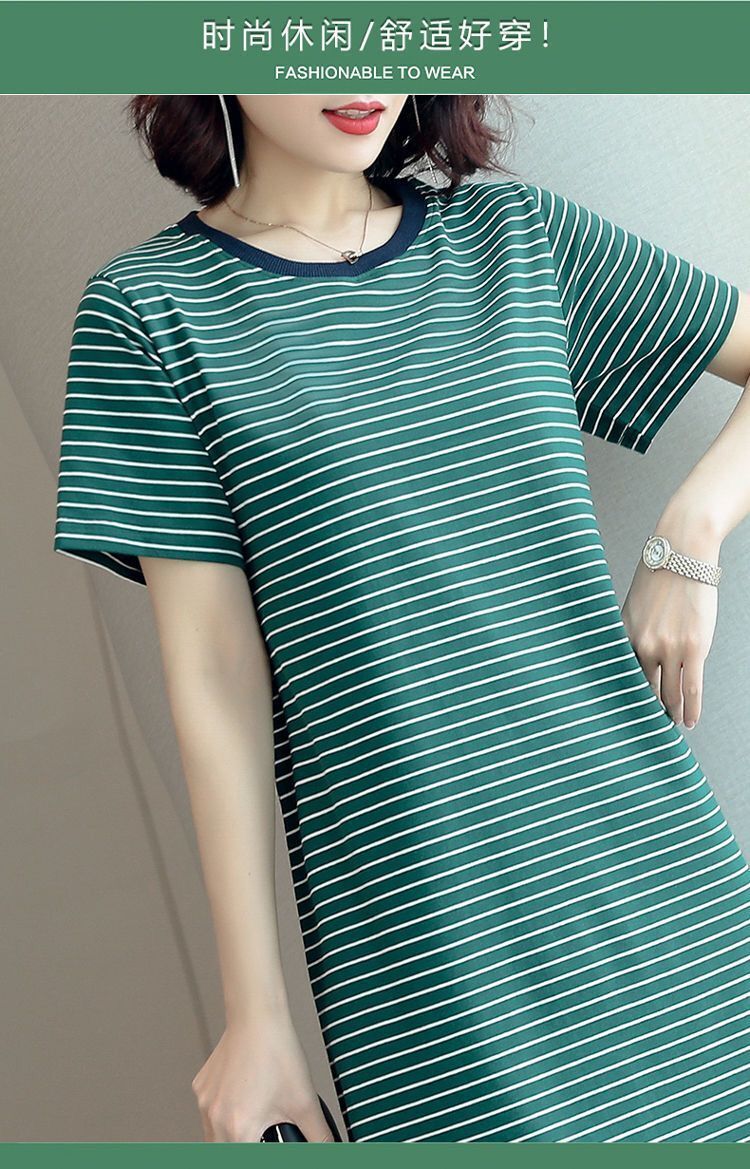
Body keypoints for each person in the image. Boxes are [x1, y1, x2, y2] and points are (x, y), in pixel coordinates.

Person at [53, 95, 750, 1143]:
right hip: (424, 939)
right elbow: (214, 676)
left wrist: (688, 538)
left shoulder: (514, 238)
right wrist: (256, 1015)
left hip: (660, 886)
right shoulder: (151, 313)